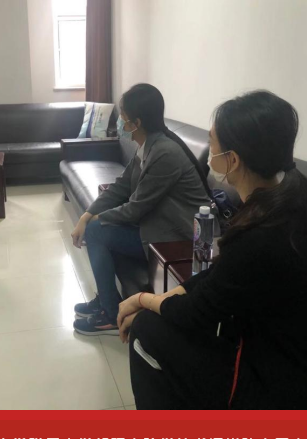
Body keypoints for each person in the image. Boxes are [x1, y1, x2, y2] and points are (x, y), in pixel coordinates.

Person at [117, 90, 307, 410]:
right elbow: (223, 276)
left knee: (147, 328)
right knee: (161, 319)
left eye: (212, 143)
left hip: (285, 388)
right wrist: (173, 292)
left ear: (233, 160)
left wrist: (143, 299)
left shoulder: (262, 234)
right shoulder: (291, 202)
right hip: (298, 360)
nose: (209, 153)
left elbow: (196, 313)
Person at [71, 83, 210, 336]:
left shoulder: (165, 153)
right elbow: (121, 186)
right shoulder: (147, 145)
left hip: (176, 237)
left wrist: (95, 220)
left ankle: (110, 316)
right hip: (155, 223)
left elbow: (135, 209)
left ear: (137, 122)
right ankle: (106, 300)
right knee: (94, 226)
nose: (120, 124)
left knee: (96, 231)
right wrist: (86, 214)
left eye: (123, 118)